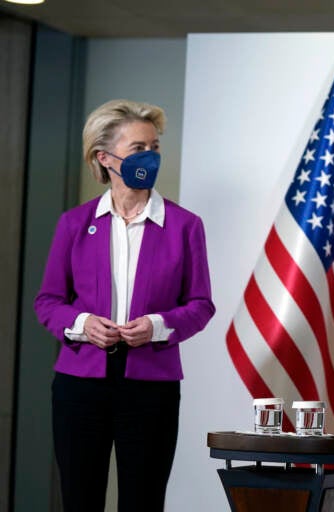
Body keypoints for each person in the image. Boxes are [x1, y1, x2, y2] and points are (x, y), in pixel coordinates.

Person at [34, 99, 216, 512]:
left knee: (144, 501)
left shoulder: (185, 225)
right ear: (105, 158)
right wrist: (81, 323)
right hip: (79, 385)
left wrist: (157, 325)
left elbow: (201, 305)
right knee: (80, 500)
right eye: (138, 149)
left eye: (154, 147)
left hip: (151, 385)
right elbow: (48, 301)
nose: (150, 157)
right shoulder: (75, 223)